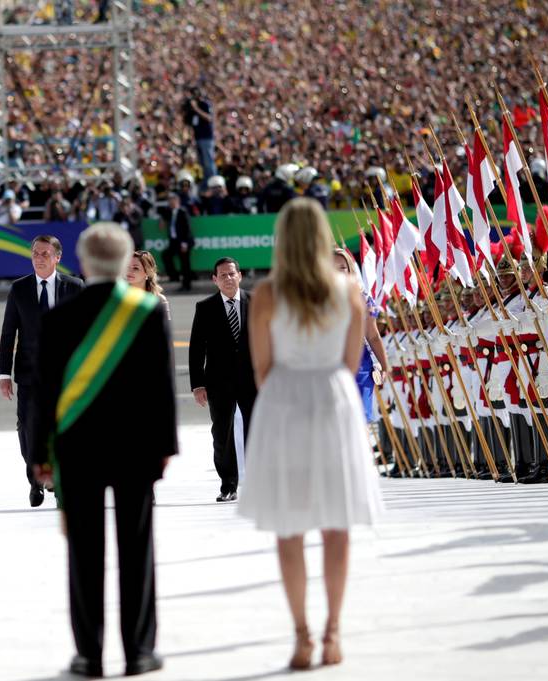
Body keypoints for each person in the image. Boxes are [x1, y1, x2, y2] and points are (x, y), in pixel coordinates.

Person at [239, 198, 383, 670]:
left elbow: (261, 367)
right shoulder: (348, 289)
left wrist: (288, 388)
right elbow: (349, 360)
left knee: (290, 524)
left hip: (284, 400)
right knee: (336, 524)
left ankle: (302, 634)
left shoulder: (266, 293)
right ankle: (332, 632)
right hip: (333, 397)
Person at [31, 222, 176, 678]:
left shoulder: (58, 318)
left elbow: (44, 394)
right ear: (124, 259)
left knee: (84, 553)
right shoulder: (147, 311)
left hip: (78, 449)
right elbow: (161, 387)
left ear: (83, 261)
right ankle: (139, 651)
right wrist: (165, 448)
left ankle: (89, 654)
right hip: (136, 449)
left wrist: (39, 454)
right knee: (137, 552)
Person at [0, 235, 85, 507]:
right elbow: (8, 332)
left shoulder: (75, 286)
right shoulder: (19, 288)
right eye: (36, 253)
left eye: (45, 253)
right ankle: (36, 479)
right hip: (28, 375)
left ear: (57, 257)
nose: (39, 257)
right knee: (27, 429)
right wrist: (4, 375)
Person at [188, 257, 257, 502]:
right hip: (219, 382)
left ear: (240, 275)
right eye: (223, 275)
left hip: (253, 380)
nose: (228, 278)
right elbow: (196, 348)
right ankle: (228, 484)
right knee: (222, 434)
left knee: (257, 429)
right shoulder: (205, 307)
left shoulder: (257, 302)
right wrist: (197, 384)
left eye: (232, 273)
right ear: (214, 280)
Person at [333, 248, 389, 423]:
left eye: (342, 267)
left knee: (359, 421)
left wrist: (385, 367)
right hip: (331, 367)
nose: (338, 271)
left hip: (361, 368)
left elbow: (372, 336)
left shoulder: (362, 298)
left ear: (349, 269)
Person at [158, 192, 194, 292]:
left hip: (183, 241)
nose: (170, 202)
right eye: (169, 200)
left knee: (185, 263)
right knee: (166, 255)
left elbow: (187, 228)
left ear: (177, 201)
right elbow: (163, 216)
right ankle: (175, 276)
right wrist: (161, 219)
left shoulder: (183, 211)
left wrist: (184, 243)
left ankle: (187, 285)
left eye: (172, 200)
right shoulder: (169, 212)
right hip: (174, 241)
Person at [183, 85, 216, 181]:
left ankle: (213, 182)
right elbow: (187, 122)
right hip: (197, 138)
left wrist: (196, 109)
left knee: (208, 162)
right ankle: (204, 185)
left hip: (206, 138)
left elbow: (209, 118)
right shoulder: (191, 108)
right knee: (201, 164)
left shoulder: (204, 104)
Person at [126, 250, 170, 319]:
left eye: (135, 268)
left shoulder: (159, 300)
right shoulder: (118, 298)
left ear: (147, 273)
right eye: (127, 267)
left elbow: (165, 327)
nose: (129, 271)